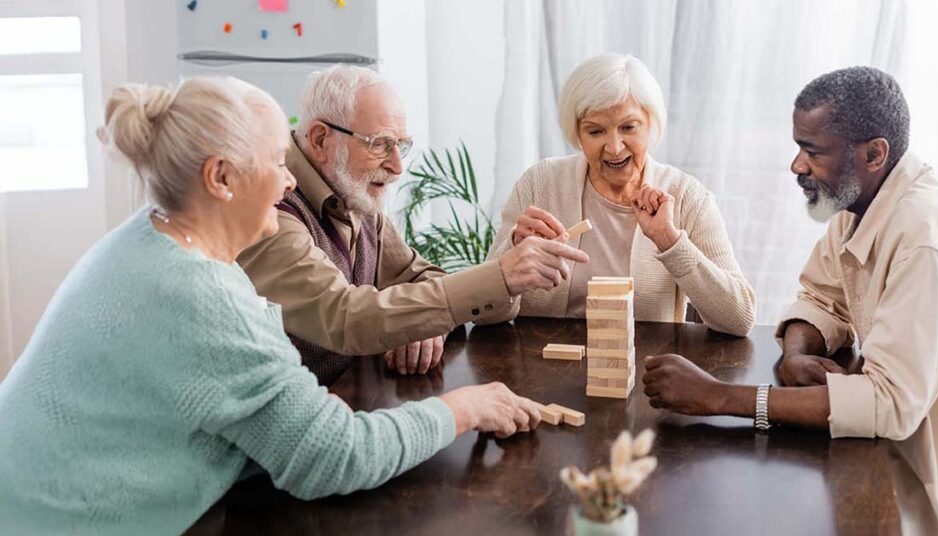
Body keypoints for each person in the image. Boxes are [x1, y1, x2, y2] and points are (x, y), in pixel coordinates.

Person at [0, 77, 543, 534]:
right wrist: (465, 407)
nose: (289, 180)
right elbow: (335, 456)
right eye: (275, 162)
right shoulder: (200, 294)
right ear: (221, 178)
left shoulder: (149, 235)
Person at [641, 66, 938, 535]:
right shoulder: (859, 203)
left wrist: (718, 396)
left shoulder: (926, 240)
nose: (796, 165)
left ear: (874, 153)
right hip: (900, 466)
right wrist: (799, 352)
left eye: (812, 151)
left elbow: (887, 404)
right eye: (798, 147)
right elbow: (820, 296)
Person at [238, 66, 588, 382]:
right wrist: (501, 276)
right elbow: (345, 316)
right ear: (319, 140)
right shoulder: (272, 211)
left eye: (400, 146)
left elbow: (423, 278)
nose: (397, 166)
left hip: (349, 402)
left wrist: (423, 324)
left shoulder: (351, 192)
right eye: (380, 145)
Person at [480, 53, 755, 336]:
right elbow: (485, 313)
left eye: (628, 127)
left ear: (651, 124)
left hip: (642, 372)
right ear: (577, 133)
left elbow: (739, 319)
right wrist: (513, 252)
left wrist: (669, 241)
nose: (614, 147)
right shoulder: (539, 184)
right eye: (595, 131)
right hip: (542, 369)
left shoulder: (688, 197)